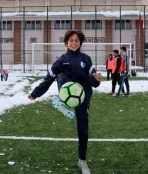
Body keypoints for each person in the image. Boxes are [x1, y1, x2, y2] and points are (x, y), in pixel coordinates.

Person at [28, 30, 102, 174]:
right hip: (67, 92)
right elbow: (48, 80)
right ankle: (65, 104)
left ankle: (82, 161)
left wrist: (97, 78)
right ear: (66, 43)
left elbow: (94, 83)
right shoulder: (61, 60)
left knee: (83, 129)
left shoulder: (86, 59)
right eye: (71, 40)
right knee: (61, 76)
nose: (74, 43)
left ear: (80, 43)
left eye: (77, 40)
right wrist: (35, 93)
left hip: (83, 96)